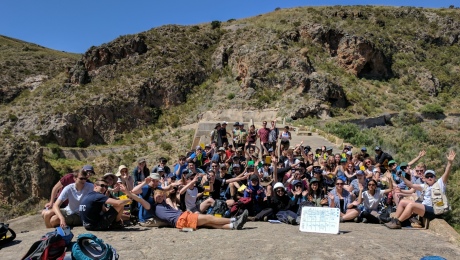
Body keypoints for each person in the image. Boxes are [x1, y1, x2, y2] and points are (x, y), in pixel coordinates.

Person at [385, 150, 456, 229]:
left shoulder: (440, 184)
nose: (429, 178)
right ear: (424, 178)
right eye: (427, 176)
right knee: (402, 202)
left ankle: (398, 222)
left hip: (434, 209)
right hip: (424, 207)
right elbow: (410, 184)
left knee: (411, 205)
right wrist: (401, 177)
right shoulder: (425, 186)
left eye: (431, 176)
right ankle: (394, 220)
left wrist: (449, 163)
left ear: (435, 177)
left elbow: (446, 173)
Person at [124, 189, 249, 230]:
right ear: (154, 197)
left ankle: (232, 226)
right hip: (181, 220)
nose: (160, 197)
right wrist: (126, 192)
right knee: (209, 217)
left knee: (209, 223)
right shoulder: (152, 207)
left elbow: (172, 199)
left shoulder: (166, 203)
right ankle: (234, 219)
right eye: (158, 196)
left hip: (183, 218)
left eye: (162, 196)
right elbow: (139, 199)